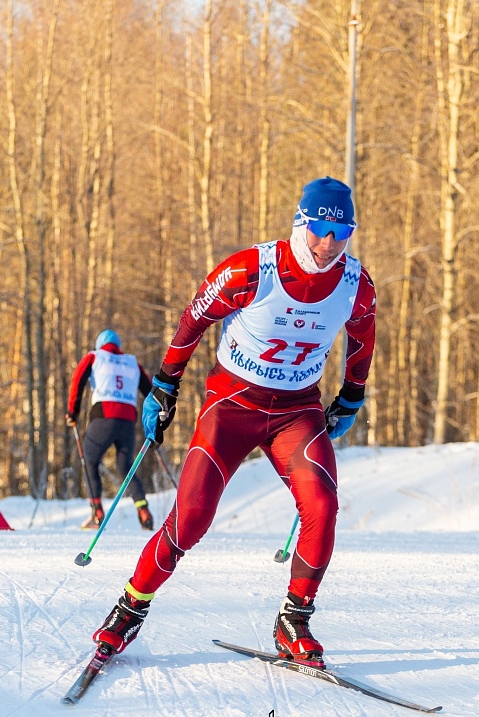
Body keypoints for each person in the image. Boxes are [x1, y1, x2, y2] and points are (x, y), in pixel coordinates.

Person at [90, 176, 376, 668]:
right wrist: (164, 384)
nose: (328, 245)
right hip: (232, 405)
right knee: (193, 517)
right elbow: (194, 319)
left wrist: (351, 396)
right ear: (299, 224)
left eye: (340, 234)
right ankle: (130, 607)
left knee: (323, 504)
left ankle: (295, 620)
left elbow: (362, 341)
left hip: (297, 411)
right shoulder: (251, 269)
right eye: (318, 232)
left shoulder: (356, 285)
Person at [66, 329, 155, 531]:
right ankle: (143, 510)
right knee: (126, 468)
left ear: (100, 344)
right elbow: (150, 391)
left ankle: (97, 511)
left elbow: (77, 380)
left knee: (90, 460)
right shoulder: (133, 363)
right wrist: (156, 420)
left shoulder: (94, 357)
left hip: (103, 417)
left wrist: (73, 411)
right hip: (127, 421)